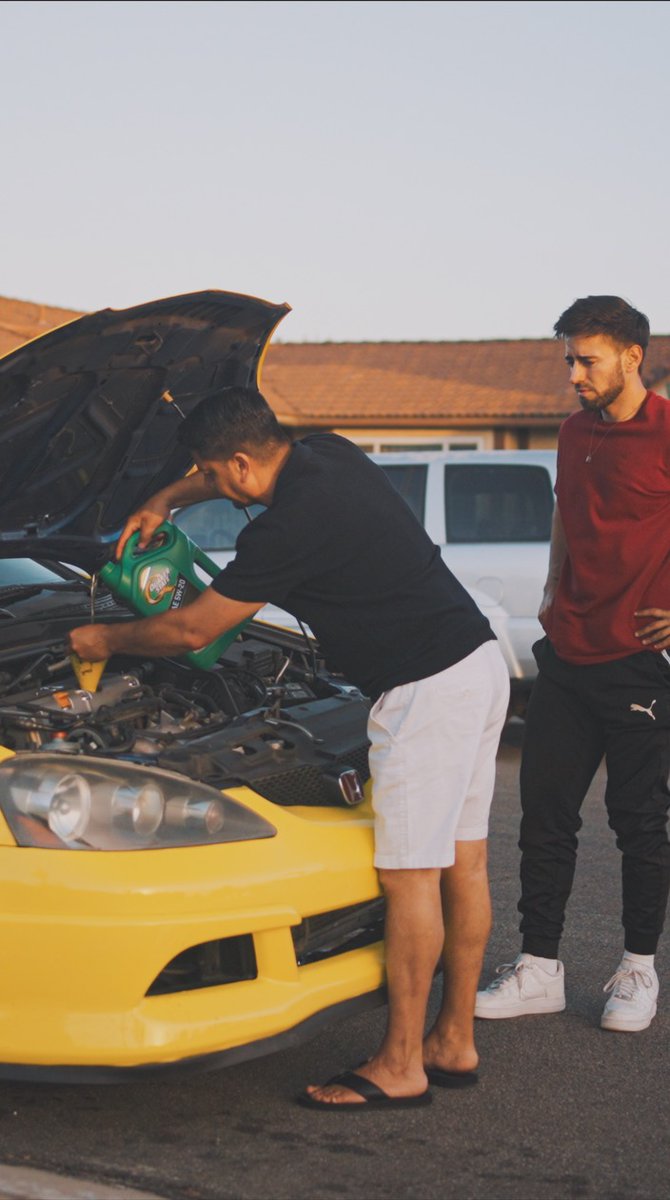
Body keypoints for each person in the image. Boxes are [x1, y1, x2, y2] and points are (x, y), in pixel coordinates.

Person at [69, 386, 509, 1108]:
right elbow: (215, 478)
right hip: (476, 666)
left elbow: (193, 631)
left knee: (410, 878)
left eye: (212, 476)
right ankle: (452, 1040)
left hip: (424, 692)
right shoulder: (328, 453)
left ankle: (401, 1064)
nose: (211, 487)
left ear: (241, 464)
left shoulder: (284, 531)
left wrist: (101, 639)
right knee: (464, 861)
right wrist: (169, 498)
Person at [475, 295, 670, 1033]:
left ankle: (637, 971)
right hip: (568, 654)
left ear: (631, 356)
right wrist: (555, 583)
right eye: (569, 360)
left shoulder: (666, 430)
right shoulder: (572, 433)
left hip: (639, 663)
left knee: (639, 823)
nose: (574, 375)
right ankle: (540, 968)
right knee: (543, 819)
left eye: (587, 360)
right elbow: (566, 510)